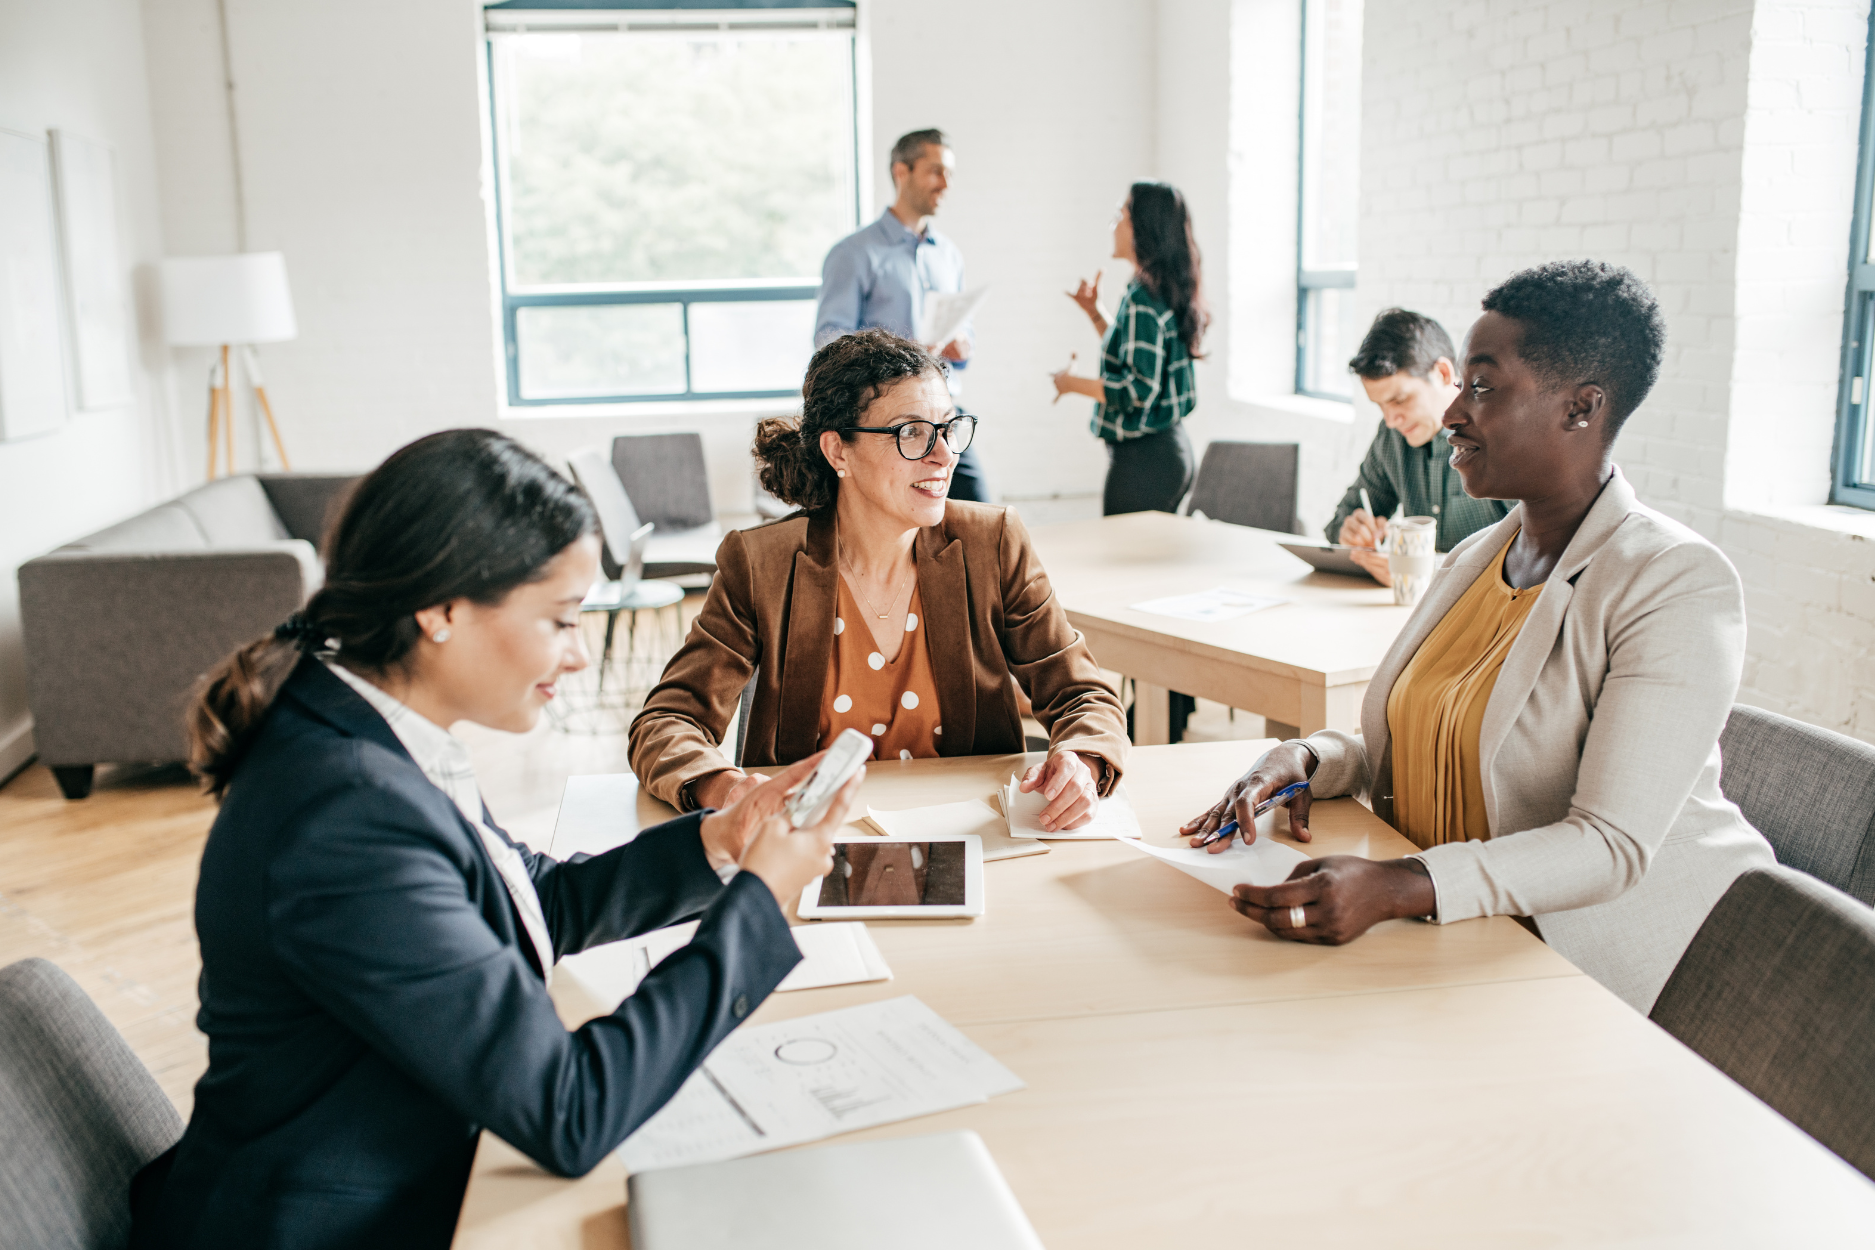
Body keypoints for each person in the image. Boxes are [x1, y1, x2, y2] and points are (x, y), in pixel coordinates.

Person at [129, 430, 862, 1249]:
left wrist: (724, 842)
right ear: (441, 609)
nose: (580, 655)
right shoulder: (346, 816)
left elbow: (524, 900)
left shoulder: (375, 731)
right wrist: (760, 901)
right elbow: (568, 1111)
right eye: (559, 620)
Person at [1179, 261, 1775, 1014]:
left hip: (1614, 977)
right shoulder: (1472, 557)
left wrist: (1402, 884)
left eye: (1483, 388)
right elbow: (1421, 743)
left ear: (1579, 408)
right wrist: (1303, 758)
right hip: (1460, 939)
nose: (1453, 413)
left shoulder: (1672, 581)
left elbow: (1608, 844)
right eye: (1460, 385)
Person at [631, 329, 1128, 833]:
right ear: (837, 451)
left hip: (973, 839)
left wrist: (1081, 761)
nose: (944, 455)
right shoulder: (762, 564)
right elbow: (667, 722)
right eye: (911, 433)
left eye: (948, 428)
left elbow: (1083, 693)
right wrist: (728, 788)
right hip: (811, 846)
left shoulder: (992, 542)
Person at [815, 128, 990, 502]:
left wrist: (962, 345)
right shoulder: (854, 253)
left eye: (950, 174)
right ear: (901, 172)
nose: (946, 184)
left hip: (943, 413)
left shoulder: (948, 255)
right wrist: (903, 351)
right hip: (886, 422)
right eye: (935, 171)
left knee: (978, 514)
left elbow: (967, 334)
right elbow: (829, 340)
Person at [1053, 181, 1207, 517]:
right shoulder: (1155, 288)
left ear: (1141, 228)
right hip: (1168, 451)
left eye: (1120, 216)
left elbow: (1137, 390)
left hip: (1145, 461)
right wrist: (1095, 312)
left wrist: (1071, 384)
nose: (1115, 225)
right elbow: (1134, 356)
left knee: (1122, 565)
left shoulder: (1142, 298)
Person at [1327, 308, 1512, 584]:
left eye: (1400, 400)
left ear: (1442, 373)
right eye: (1380, 406)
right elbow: (1340, 521)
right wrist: (1351, 532)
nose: (1390, 420)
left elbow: (1535, 556)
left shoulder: (1503, 437)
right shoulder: (1393, 438)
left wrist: (1425, 570)